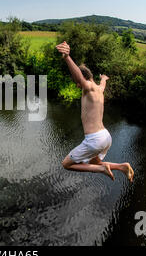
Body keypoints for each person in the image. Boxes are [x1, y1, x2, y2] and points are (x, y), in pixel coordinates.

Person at [56, 42, 134, 182]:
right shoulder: (99, 89)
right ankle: (122, 167)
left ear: (83, 78)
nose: (77, 84)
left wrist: (67, 57)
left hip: (94, 140)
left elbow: (79, 77)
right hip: (105, 137)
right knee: (95, 162)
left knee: (66, 164)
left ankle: (102, 169)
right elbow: (103, 84)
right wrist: (103, 78)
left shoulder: (89, 87)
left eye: (76, 82)